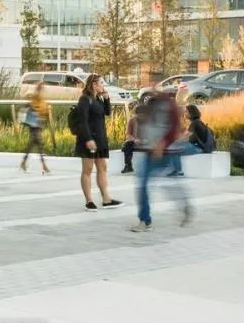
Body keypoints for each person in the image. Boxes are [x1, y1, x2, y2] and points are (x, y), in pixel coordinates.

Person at [130, 88, 192, 232]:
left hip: (165, 152)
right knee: (143, 185)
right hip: (149, 151)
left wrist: (162, 143)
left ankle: (183, 204)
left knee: (167, 184)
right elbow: (146, 125)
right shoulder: (151, 103)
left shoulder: (169, 105)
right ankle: (145, 221)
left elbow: (174, 129)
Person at [73, 75, 122, 211]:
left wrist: (106, 98)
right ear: (94, 85)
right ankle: (89, 201)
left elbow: (107, 112)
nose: (103, 85)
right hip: (88, 140)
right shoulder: (84, 99)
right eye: (101, 83)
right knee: (87, 169)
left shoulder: (97, 99)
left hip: (100, 139)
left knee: (102, 168)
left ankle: (106, 199)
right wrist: (88, 139)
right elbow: (82, 121)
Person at [20, 89, 50, 173]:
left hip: (37, 126)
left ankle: (24, 162)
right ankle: (44, 165)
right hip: (34, 127)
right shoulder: (32, 103)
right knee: (39, 144)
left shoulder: (40, 102)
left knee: (32, 145)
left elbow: (43, 113)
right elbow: (28, 112)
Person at [121, 96, 146, 175]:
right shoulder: (132, 121)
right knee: (127, 145)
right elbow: (128, 134)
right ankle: (128, 165)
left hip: (148, 141)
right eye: (138, 114)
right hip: (135, 141)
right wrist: (134, 140)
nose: (140, 116)